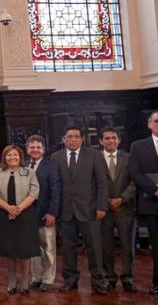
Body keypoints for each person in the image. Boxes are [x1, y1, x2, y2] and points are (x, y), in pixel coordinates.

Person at [50, 126, 109, 295]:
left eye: (76, 136)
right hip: (66, 210)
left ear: (82, 139)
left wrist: (101, 206)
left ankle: (98, 280)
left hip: (90, 209)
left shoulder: (94, 155)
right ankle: (70, 279)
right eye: (69, 137)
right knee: (68, 248)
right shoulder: (56, 157)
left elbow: (102, 183)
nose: (73, 139)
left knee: (94, 247)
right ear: (64, 139)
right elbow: (54, 185)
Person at [0, 145, 40, 294]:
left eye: (15, 155)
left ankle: (25, 280)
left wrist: (17, 209)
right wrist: (8, 208)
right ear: (4, 158)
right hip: (4, 216)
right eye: (9, 155)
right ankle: (12, 280)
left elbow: (34, 192)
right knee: (9, 249)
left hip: (25, 215)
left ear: (20, 157)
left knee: (25, 250)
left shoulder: (30, 172)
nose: (12, 157)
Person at [98, 128, 137, 292]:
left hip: (125, 208)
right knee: (106, 246)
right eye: (107, 138)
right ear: (101, 141)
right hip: (103, 209)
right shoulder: (95, 159)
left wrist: (121, 199)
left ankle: (128, 278)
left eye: (114, 138)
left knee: (127, 245)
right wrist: (106, 201)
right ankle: (109, 277)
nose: (111, 141)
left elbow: (135, 181)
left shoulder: (129, 158)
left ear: (118, 140)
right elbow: (92, 183)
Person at [127, 111, 158, 294]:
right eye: (156, 121)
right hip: (151, 202)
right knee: (157, 246)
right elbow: (135, 173)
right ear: (149, 124)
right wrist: (155, 190)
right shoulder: (138, 146)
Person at [25, 135, 62, 292]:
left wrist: (52, 213)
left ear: (44, 149)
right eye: (32, 147)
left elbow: (56, 191)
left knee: (48, 248)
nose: (35, 150)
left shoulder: (51, 166)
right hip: (28, 215)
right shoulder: (23, 165)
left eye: (38, 147)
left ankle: (48, 279)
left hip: (46, 214)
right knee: (33, 248)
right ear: (27, 149)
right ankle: (36, 277)